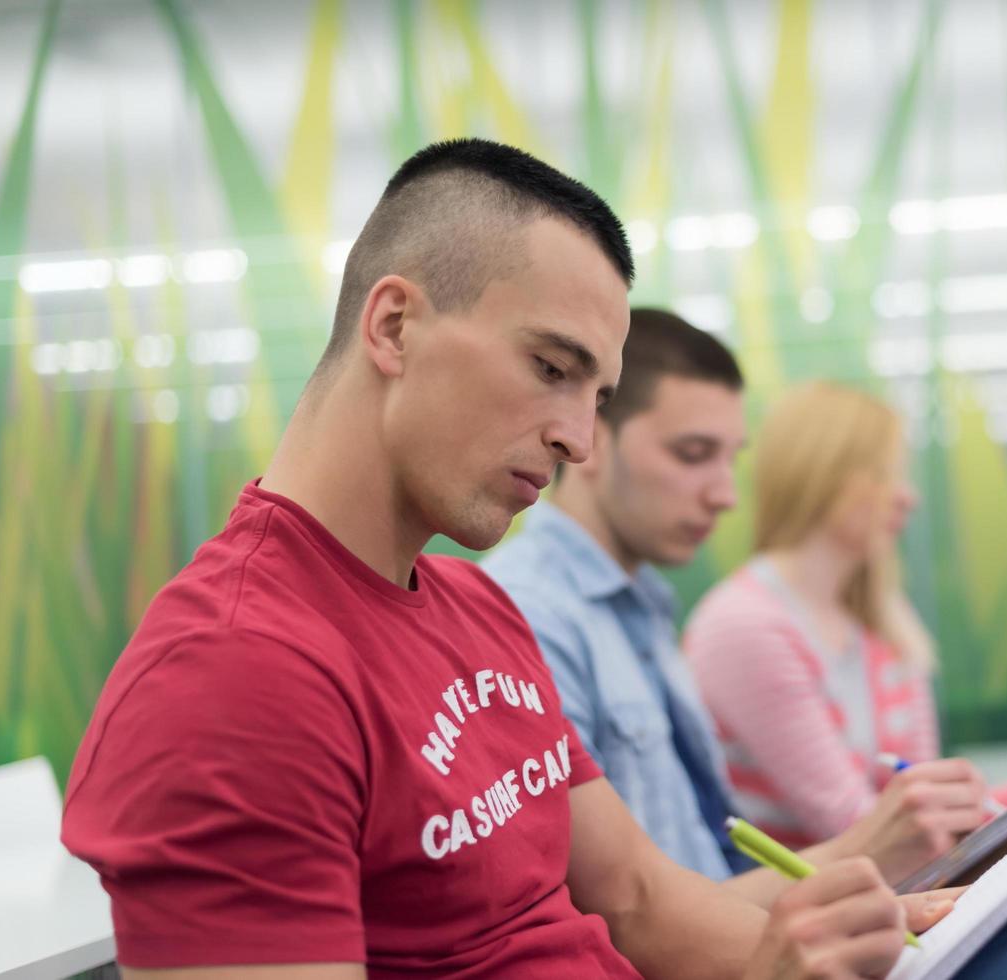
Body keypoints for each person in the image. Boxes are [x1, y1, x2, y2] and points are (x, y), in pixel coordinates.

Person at [60, 139, 931, 980]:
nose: (578, 441)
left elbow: (639, 901)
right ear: (394, 326)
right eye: (551, 367)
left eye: (596, 397)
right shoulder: (231, 675)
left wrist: (897, 936)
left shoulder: (477, 607)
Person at [486, 319, 1007, 977]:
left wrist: (891, 873)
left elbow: (679, 886)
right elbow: (633, 914)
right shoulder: (544, 617)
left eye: (729, 459)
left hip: (797, 933)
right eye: (692, 454)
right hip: (776, 949)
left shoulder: (644, 610)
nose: (721, 492)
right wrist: (886, 853)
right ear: (591, 442)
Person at [683, 380, 1007, 848]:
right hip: (823, 909)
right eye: (885, 475)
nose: (906, 497)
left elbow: (931, 817)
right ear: (822, 473)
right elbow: (865, 833)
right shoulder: (743, 626)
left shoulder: (883, 618)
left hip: (905, 896)